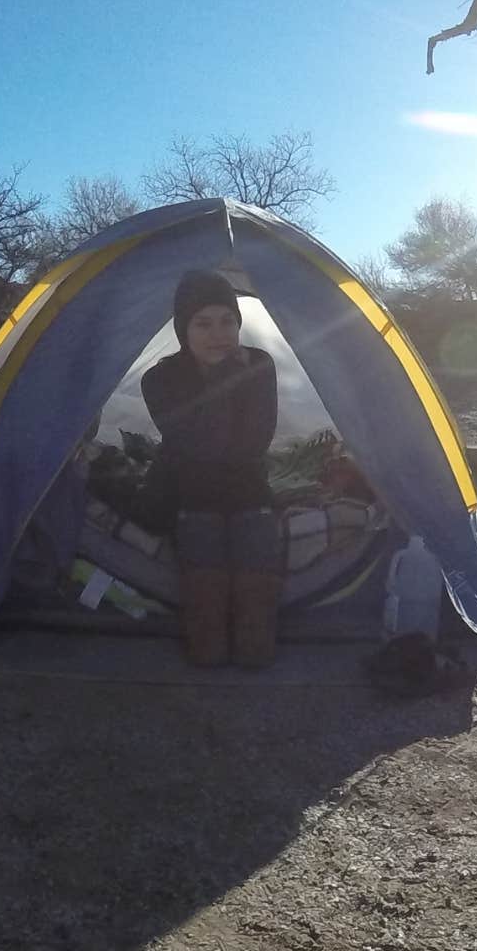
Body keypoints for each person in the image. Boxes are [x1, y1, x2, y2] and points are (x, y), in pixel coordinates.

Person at [140, 269, 283, 667]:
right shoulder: (160, 379)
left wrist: (227, 372)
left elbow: (253, 443)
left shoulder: (259, 365)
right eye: (203, 323)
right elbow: (198, 447)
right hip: (192, 493)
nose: (218, 334)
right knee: (207, 650)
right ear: (183, 329)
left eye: (227, 322)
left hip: (248, 490)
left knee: (256, 646)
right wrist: (224, 376)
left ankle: (250, 638)